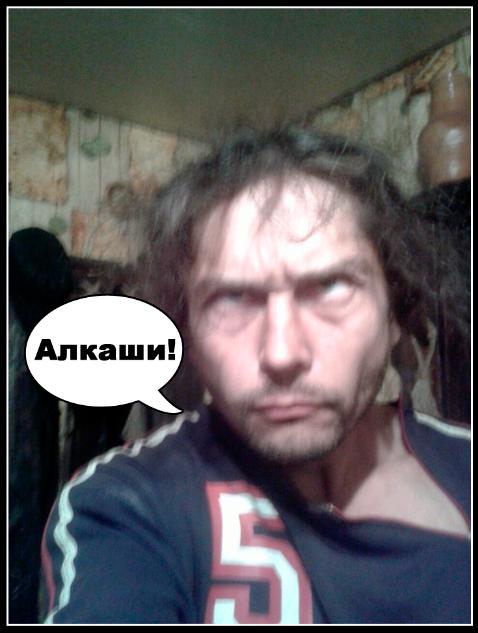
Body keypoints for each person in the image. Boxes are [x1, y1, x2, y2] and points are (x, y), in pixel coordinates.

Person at [42, 125, 470, 624]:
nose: (282, 353)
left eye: (330, 286)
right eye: (231, 298)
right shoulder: (123, 504)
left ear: (394, 311)